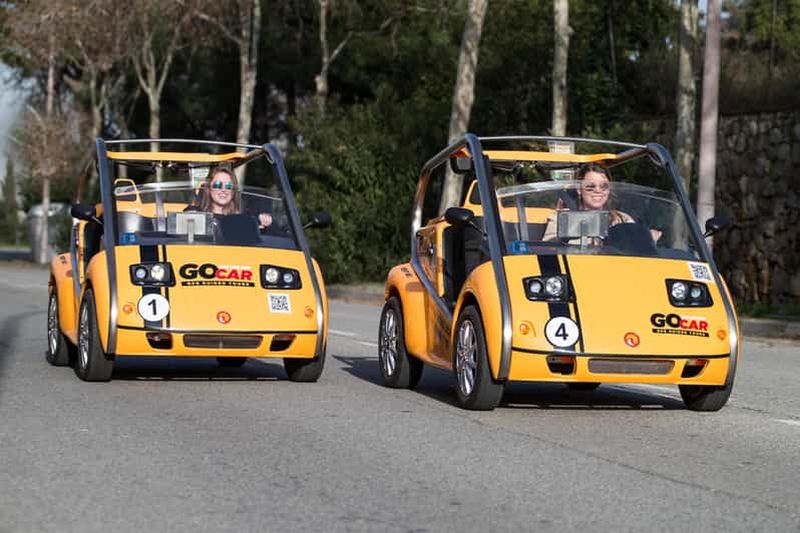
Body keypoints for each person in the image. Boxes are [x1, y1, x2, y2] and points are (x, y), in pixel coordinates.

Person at [541, 163, 633, 243]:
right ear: (579, 189)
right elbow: (550, 247)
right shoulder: (562, 218)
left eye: (604, 186)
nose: (598, 191)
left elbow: (635, 245)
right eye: (590, 187)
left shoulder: (622, 219)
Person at [196, 166, 273, 228]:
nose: (223, 189)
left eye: (228, 186)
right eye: (218, 185)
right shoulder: (197, 215)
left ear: (233, 191)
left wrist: (264, 218)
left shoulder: (244, 218)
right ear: (209, 189)